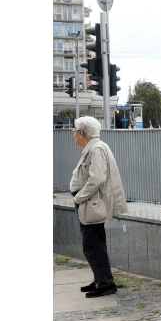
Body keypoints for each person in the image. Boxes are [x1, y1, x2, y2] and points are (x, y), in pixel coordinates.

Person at [68, 116, 128, 297]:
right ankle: (100, 279)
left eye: (74, 131)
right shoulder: (93, 148)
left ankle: (105, 284)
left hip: (91, 203)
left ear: (81, 133)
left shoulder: (96, 149)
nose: (73, 135)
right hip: (90, 203)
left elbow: (97, 179)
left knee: (92, 246)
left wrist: (79, 197)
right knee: (95, 244)